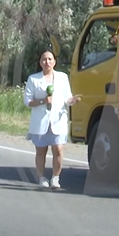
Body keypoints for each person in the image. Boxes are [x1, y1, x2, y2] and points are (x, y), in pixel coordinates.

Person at [23, 49, 81, 189]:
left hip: (58, 120)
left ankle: (55, 178)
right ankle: (41, 178)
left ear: (54, 61)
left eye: (50, 59)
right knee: (41, 151)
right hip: (41, 121)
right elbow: (28, 101)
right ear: (40, 62)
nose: (47, 62)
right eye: (44, 59)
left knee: (58, 149)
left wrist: (73, 100)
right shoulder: (34, 79)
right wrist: (43, 101)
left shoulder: (62, 77)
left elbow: (67, 97)